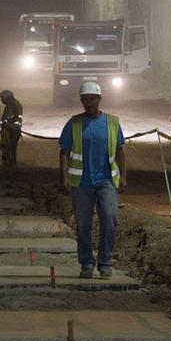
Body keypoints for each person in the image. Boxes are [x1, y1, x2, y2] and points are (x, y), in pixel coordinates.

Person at [58, 81, 126, 280]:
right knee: (83, 224)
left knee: (109, 218)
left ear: (99, 99)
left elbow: (120, 151)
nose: (89, 103)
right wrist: (63, 178)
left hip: (107, 181)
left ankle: (105, 262)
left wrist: (123, 176)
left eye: (92, 99)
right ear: (81, 101)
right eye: (85, 99)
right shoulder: (74, 124)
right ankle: (86, 263)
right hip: (81, 182)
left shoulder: (112, 123)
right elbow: (64, 152)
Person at [0, 89, 23, 168]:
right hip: (11, 129)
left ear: (7, 98)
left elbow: (16, 117)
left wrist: (7, 124)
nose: (2, 100)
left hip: (12, 130)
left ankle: (11, 164)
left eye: (2, 98)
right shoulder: (13, 104)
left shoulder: (14, 105)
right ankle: (10, 163)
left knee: (11, 148)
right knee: (9, 148)